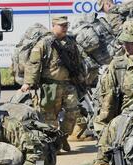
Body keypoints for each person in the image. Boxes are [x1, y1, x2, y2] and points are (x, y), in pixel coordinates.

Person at [21, 15, 85, 152]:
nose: (65, 28)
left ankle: (62, 136)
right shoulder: (45, 43)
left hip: (68, 85)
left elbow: (78, 62)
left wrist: (81, 78)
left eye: (66, 25)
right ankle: (54, 145)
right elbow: (34, 64)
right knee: (50, 118)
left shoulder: (70, 42)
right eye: (62, 25)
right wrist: (28, 83)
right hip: (49, 86)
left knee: (73, 112)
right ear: (54, 25)